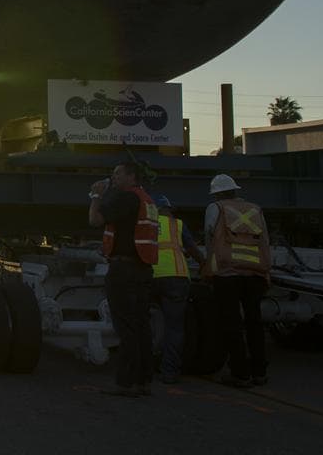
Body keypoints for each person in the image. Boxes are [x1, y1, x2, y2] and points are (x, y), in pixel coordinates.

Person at [89, 161, 159, 396]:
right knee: (141, 326)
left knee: (126, 326)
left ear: (132, 176)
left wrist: (96, 195)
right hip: (142, 268)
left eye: (118, 173)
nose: (113, 177)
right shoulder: (147, 200)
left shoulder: (126, 198)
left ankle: (125, 382)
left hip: (124, 270)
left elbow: (95, 220)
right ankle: (143, 381)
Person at [203, 174, 272, 388]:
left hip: (227, 273)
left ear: (217, 193)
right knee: (254, 323)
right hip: (255, 273)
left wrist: (208, 267)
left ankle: (240, 373)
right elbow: (265, 241)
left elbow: (209, 237)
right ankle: (259, 372)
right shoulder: (255, 209)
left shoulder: (216, 208)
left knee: (232, 324)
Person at [151, 196, 203, 385]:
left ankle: (142, 367)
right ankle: (169, 372)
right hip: (176, 278)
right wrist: (204, 264)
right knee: (174, 327)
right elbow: (193, 249)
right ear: (169, 209)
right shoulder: (178, 224)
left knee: (142, 323)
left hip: (150, 276)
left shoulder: (146, 224)